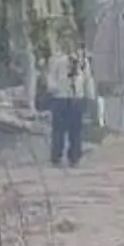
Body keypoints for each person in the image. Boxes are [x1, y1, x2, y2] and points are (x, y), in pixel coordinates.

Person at [42, 36, 97, 167]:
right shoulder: (56, 59)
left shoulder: (82, 60)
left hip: (76, 98)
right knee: (58, 130)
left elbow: (88, 78)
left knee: (76, 130)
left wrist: (90, 95)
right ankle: (56, 156)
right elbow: (51, 76)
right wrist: (53, 88)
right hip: (60, 97)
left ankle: (74, 156)